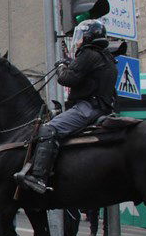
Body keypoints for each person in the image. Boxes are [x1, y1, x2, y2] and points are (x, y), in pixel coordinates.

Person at [16, 19, 118, 194]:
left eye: (80, 37)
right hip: (104, 107)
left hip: (88, 108)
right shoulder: (107, 57)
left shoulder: (89, 54)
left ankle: (39, 176)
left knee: (49, 129)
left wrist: (62, 67)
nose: (78, 41)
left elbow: (67, 79)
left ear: (87, 37)